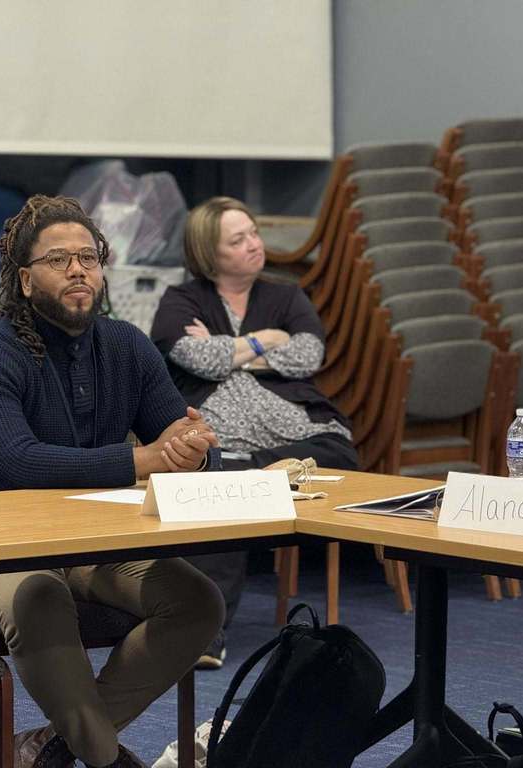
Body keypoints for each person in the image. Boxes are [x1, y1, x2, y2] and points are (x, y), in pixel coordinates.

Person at [0, 195, 226, 768]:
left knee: (196, 601)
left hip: (87, 538)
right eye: (59, 259)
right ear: (24, 279)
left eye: (89, 258)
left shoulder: (126, 346)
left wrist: (192, 453)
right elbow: (18, 465)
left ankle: (55, 747)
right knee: (38, 594)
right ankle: (106, 758)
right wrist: (145, 462)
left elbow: (175, 437)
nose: (78, 270)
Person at [150, 196, 358, 667]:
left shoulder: (285, 293)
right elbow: (189, 355)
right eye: (237, 240)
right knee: (217, 483)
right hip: (220, 428)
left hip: (294, 424)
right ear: (209, 253)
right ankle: (206, 634)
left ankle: (250, 473)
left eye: (254, 233)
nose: (253, 245)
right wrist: (267, 341)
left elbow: (308, 355)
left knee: (336, 454)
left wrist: (231, 350)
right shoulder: (181, 299)